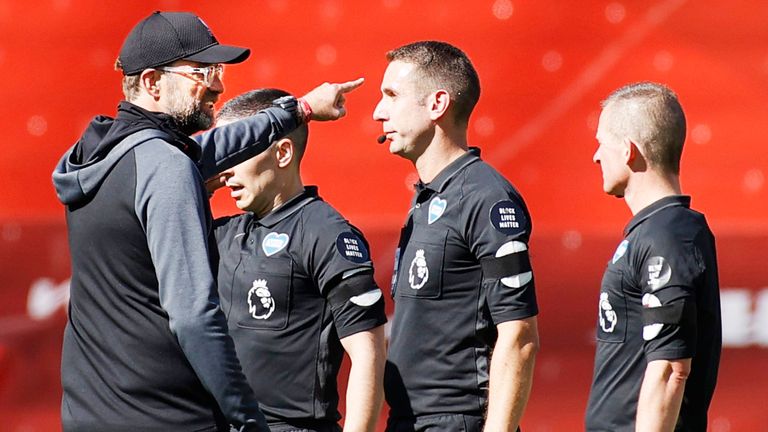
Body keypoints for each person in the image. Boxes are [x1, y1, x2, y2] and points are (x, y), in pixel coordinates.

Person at [51, 11, 362, 432]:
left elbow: (210, 149)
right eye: (201, 72)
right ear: (152, 83)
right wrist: (246, 417)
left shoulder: (101, 156)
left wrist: (300, 109)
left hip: (91, 413)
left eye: (217, 70)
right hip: (165, 417)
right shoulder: (163, 165)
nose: (218, 84)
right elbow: (193, 315)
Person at [373, 41, 539, 432]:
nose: (378, 113)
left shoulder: (487, 197)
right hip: (410, 420)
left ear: (437, 105)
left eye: (392, 96)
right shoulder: (429, 197)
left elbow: (519, 334)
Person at [207, 88, 388, 432]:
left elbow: (368, 354)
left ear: (283, 153)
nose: (224, 169)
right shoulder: (221, 233)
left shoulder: (326, 234)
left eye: (235, 152)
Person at [586, 82, 721, 431]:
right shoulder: (654, 231)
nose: (596, 155)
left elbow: (671, 369)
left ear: (628, 150)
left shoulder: (668, 235)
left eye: (602, 143)